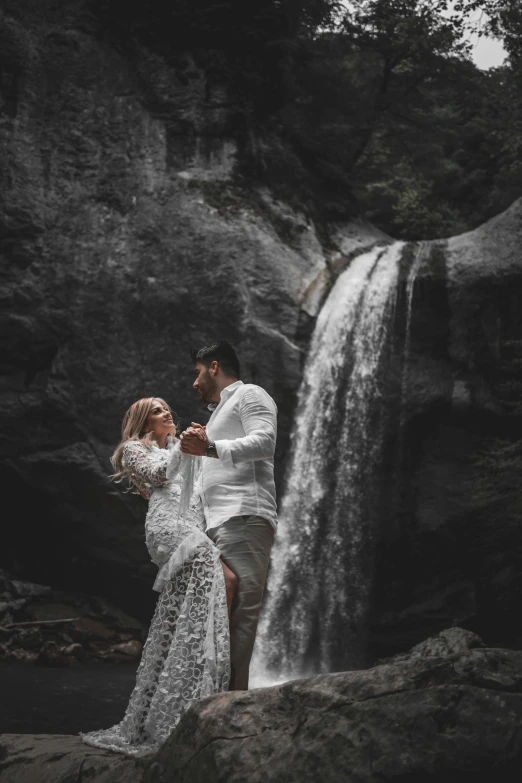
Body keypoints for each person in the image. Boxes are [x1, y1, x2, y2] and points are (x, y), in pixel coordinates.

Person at [81, 397, 236, 757]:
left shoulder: (181, 448)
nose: (167, 412)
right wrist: (186, 447)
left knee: (221, 585)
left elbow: (206, 489)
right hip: (168, 530)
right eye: (157, 410)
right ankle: (194, 680)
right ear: (143, 421)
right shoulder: (133, 449)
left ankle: (181, 697)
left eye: (167, 407)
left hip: (193, 527)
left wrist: (203, 446)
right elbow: (159, 476)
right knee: (221, 582)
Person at [180, 341, 277, 690]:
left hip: (244, 515)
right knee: (221, 615)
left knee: (241, 617)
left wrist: (208, 447)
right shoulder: (218, 412)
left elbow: (266, 441)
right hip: (217, 521)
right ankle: (216, 698)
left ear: (214, 367)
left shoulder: (250, 394)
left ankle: (232, 704)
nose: (194, 382)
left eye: (197, 372)